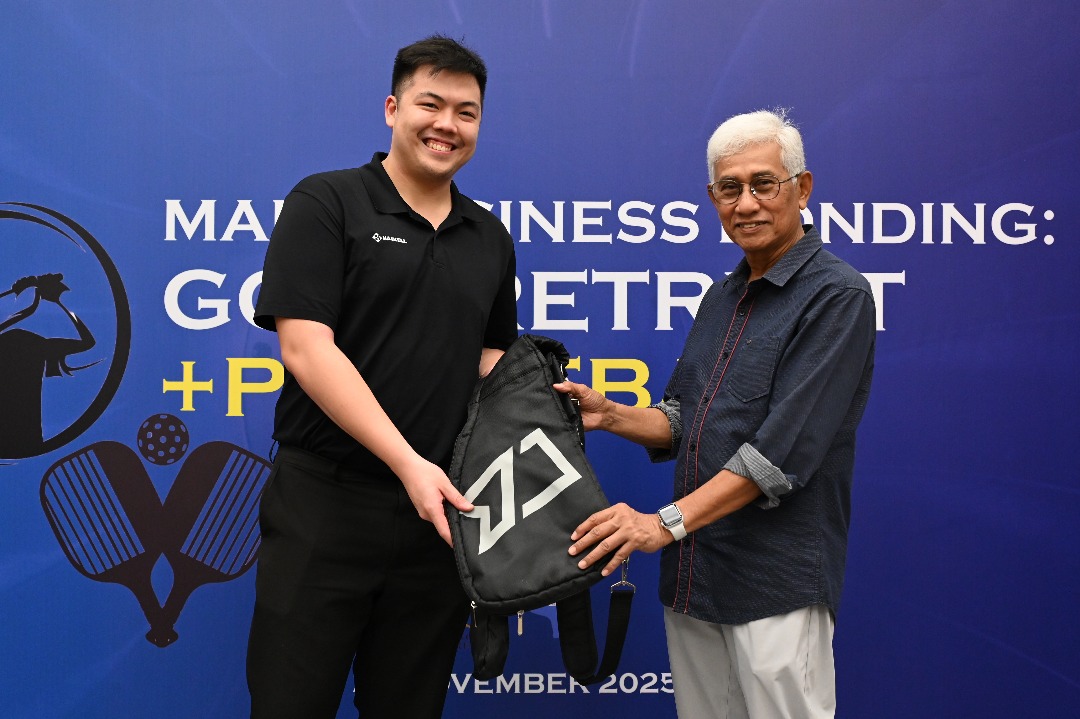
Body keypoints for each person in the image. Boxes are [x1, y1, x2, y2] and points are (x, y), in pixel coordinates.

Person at [556, 109, 875, 718]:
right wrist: (612, 414)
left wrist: (662, 525)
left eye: (764, 183)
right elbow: (685, 418)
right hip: (695, 577)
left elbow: (778, 456)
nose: (746, 203)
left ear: (802, 189)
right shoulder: (721, 296)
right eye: (730, 188)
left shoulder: (838, 295)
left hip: (775, 583)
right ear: (713, 198)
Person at [247, 35, 517, 719]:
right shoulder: (327, 201)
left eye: (466, 113)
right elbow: (306, 348)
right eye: (431, 104)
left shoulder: (489, 237)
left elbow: (490, 361)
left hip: (439, 519)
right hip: (324, 505)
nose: (447, 125)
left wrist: (543, 406)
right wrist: (407, 462)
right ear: (393, 109)